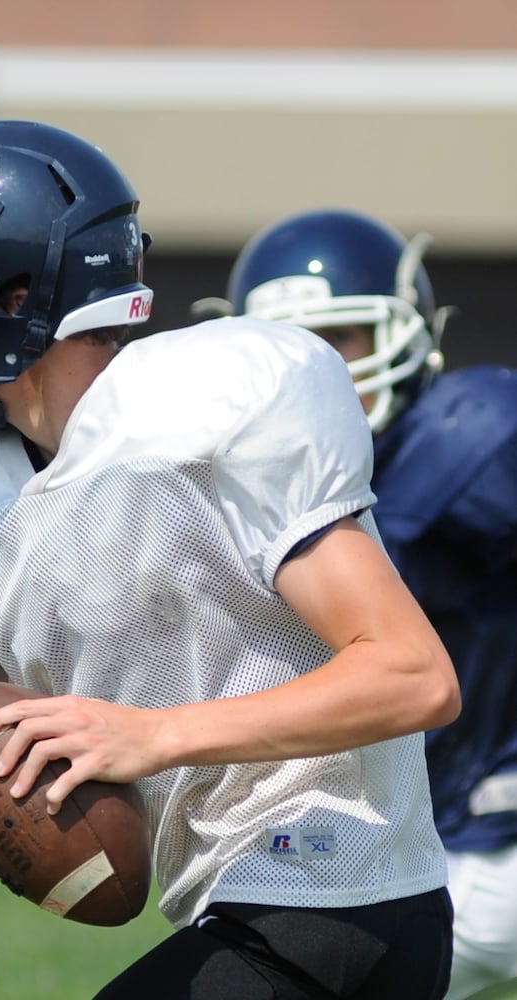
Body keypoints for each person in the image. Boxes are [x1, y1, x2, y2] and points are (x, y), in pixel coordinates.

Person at [0, 119, 460, 999]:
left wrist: (149, 736)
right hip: (238, 909)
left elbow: (412, 677)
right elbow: (121, 728)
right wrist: (21, 793)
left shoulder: (206, 409)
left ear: (14, 295)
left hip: (340, 896)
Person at [227, 208, 517, 1000]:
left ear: (413, 335)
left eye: (342, 340)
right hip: (378, 836)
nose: (321, 372)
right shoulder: (239, 492)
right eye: (294, 349)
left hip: (487, 845)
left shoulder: (470, 438)